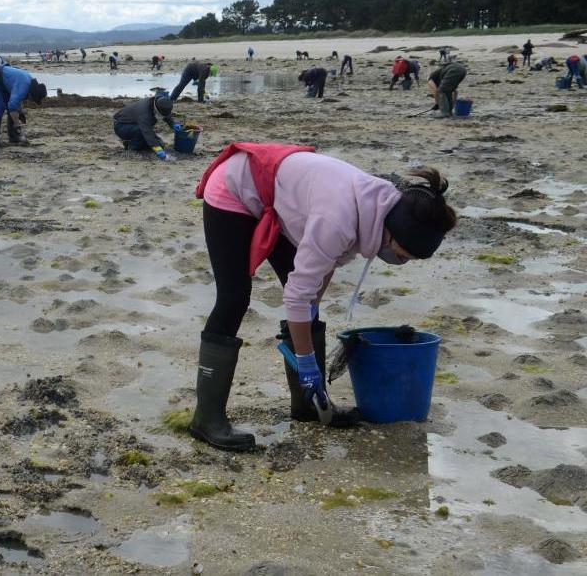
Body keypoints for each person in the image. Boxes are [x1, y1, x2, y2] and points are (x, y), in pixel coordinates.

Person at [185, 144, 457, 451]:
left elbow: (322, 270)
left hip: (281, 196)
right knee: (234, 297)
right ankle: (206, 419)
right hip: (235, 188)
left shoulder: (378, 210)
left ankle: (307, 404)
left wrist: (310, 311)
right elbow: (297, 295)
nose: (400, 262)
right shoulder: (339, 219)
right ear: (394, 233)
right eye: (402, 255)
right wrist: (307, 362)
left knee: (304, 298)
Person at [0, 64, 47, 148]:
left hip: (4, 83)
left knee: (12, 110)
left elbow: (16, 101)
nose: (31, 101)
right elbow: (12, 105)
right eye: (33, 99)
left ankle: (13, 137)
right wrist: (17, 123)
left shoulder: (29, 84)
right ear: (33, 95)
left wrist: (19, 111)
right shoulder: (24, 87)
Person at [112, 91, 178, 161]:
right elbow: (147, 132)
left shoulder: (159, 102)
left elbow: (165, 114)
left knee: (160, 144)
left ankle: (138, 143)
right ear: (156, 109)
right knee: (141, 133)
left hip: (136, 124)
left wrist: (173, 124)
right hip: (121, 125)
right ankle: (131, 146)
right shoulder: (144, 113)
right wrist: (158, 149)